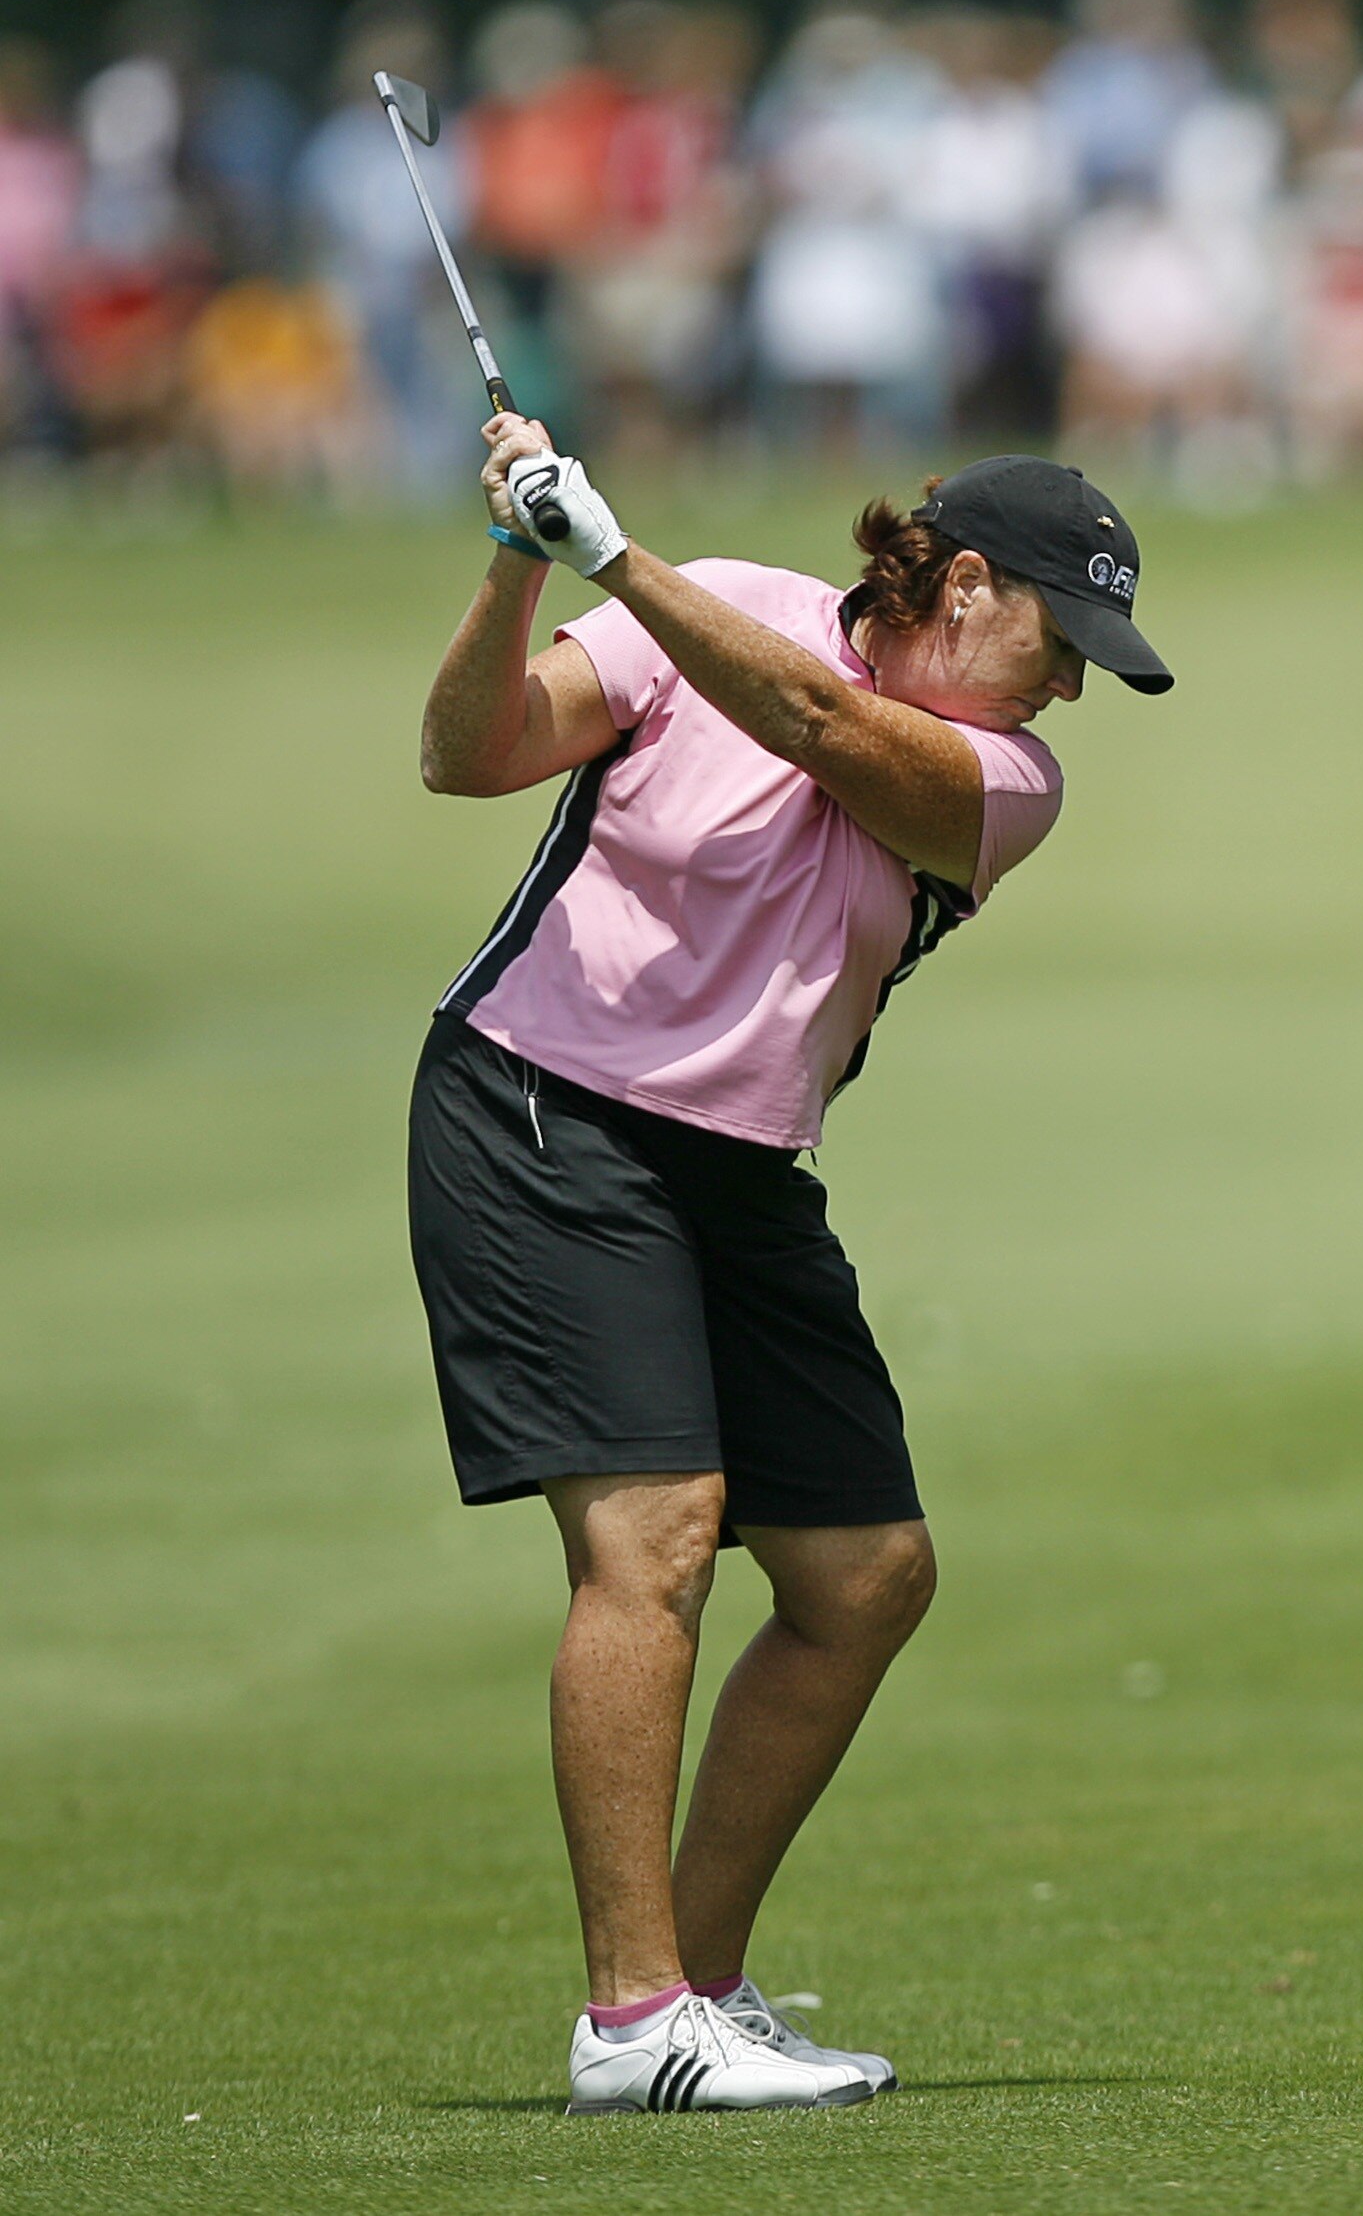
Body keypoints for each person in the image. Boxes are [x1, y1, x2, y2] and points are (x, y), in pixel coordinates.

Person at [407, 418, 1172, 2114]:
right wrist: (520, 563)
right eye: (1065, 646)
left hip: (742, 1172)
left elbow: (822, 723)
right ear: (968, 586)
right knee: (659, 1538)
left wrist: (615, 559)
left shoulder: (1003, 787)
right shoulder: (722, 606)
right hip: (542, 1111)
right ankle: (632, 2021)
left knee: (864, 1578)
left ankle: (700, 1979)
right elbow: (472, 755)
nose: (1070, 694)